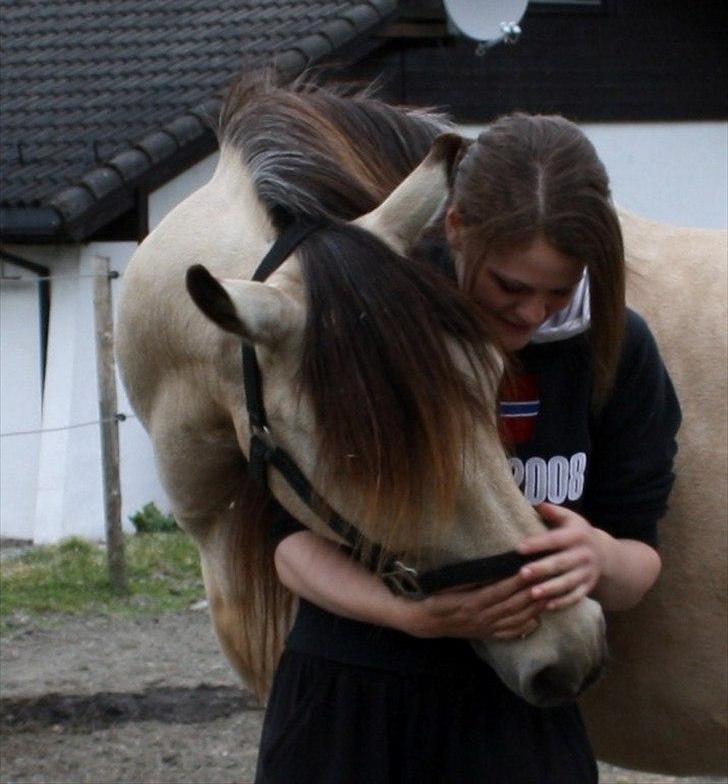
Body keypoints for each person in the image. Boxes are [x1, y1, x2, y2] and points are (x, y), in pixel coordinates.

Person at [254, 113, 681, 784]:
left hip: (519, 715)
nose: (531, 313)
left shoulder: (619, 350)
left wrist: (598, 555)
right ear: (456, 227)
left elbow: (637, 562)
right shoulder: (373, 327)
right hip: (353, 704)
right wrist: (411, 614)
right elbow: (288, 544)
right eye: (511, 286)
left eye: (558, 291)